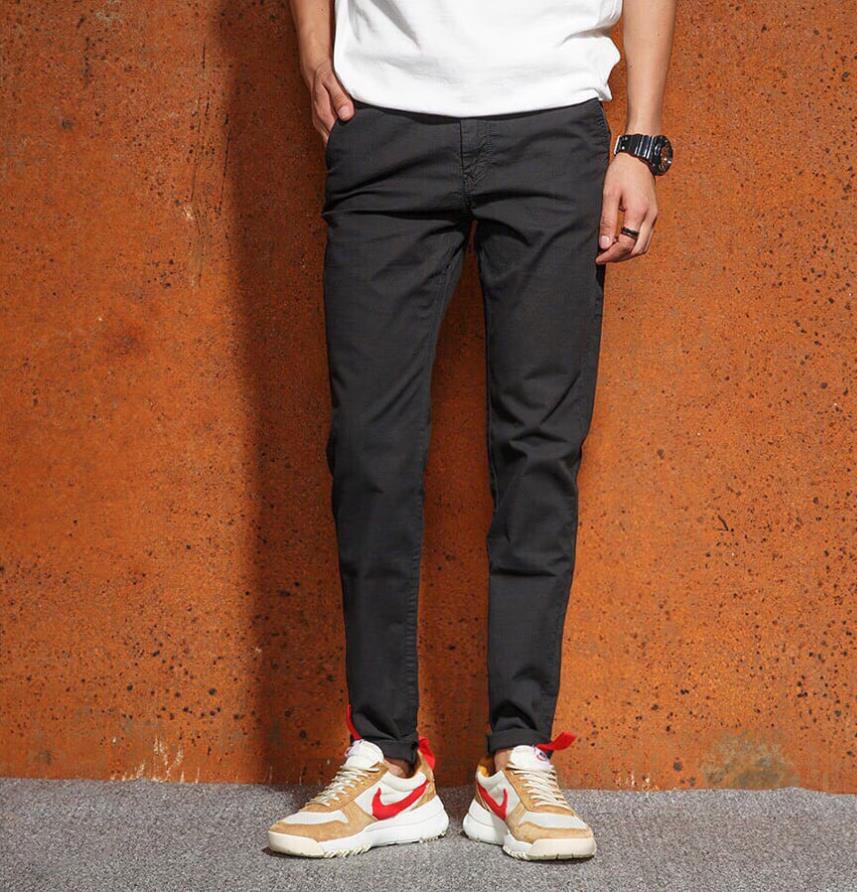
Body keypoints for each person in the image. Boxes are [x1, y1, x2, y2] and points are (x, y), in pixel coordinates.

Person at [268, 0, 676, 861]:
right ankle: (386, 763)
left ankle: (517, 755)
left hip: (551, 123)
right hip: (383, 123)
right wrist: (312, 51)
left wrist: (640, 141)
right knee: (370, 449)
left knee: (539, 449)